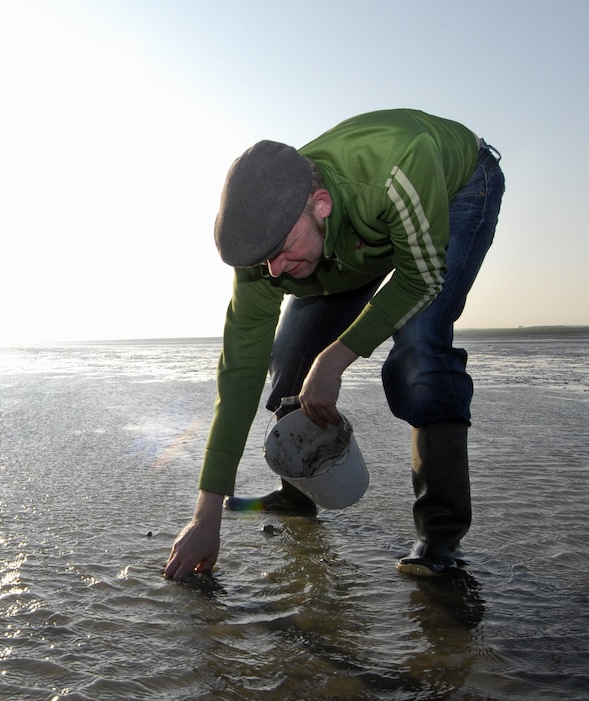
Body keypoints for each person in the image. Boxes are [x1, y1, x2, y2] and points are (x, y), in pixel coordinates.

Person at [164, 108, 505, 580]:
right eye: (264, 263)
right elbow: (240, 371)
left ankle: (439, 539)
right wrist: (207, 514)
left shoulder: (396, 166)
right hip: (350, 243)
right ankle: (298, 493)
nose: (276, 273)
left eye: (282, 252)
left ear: (320, 203)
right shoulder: (267, 249)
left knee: (419, 354)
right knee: (288, 360)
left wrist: (336, 358)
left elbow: (422, 277)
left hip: (452, 190)